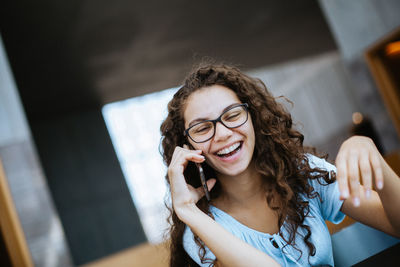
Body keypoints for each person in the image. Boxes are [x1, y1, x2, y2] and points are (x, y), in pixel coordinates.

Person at [160, 64, 400, 267]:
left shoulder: (304, 174)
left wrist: (369, 150)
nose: (222, 134)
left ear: (253, 116)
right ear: (187, 145)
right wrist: (187, 210)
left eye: (232, 115)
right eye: (202, 128)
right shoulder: (200, 224)